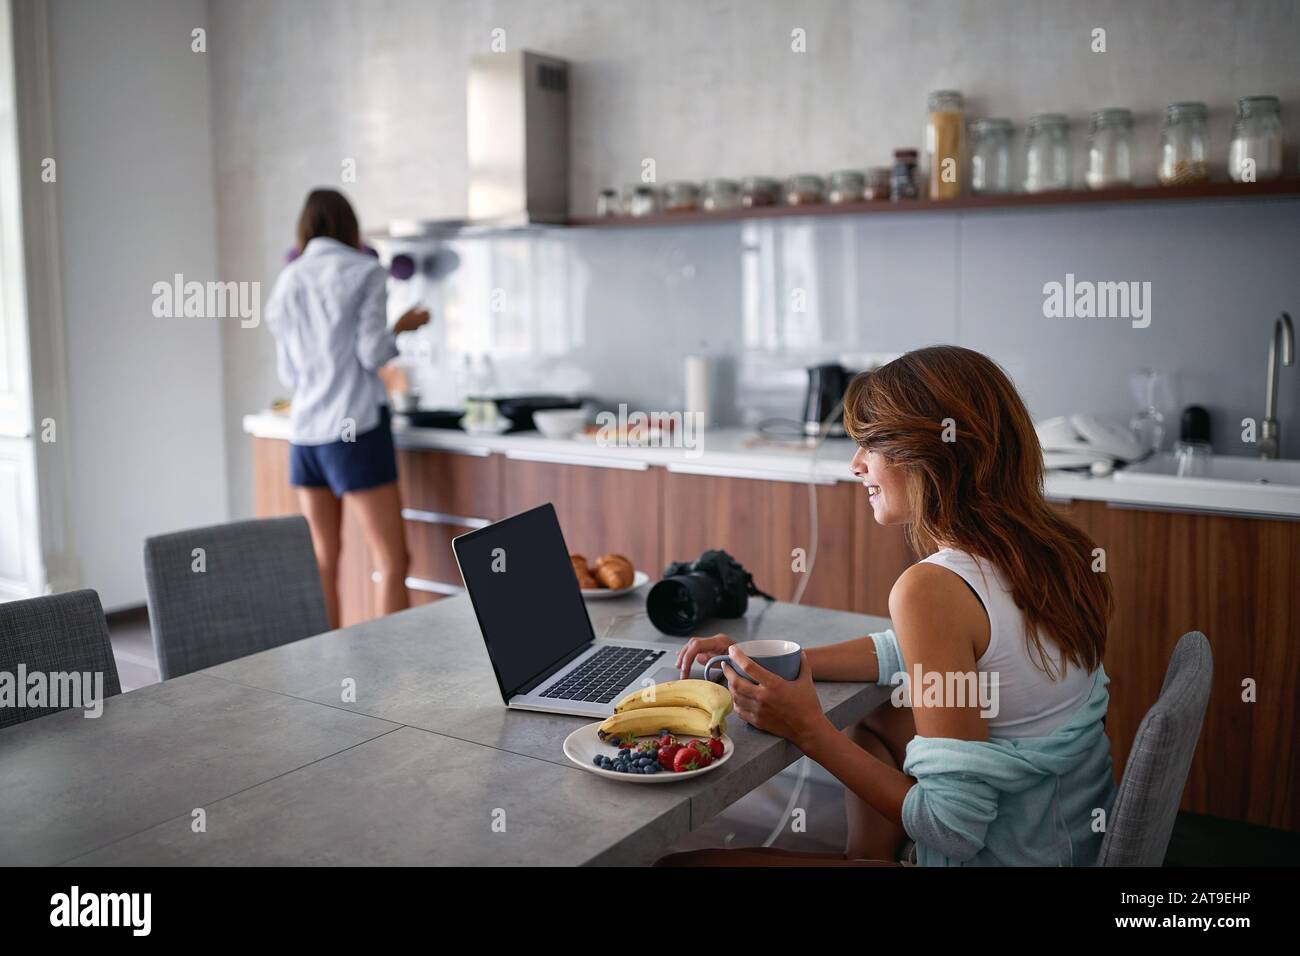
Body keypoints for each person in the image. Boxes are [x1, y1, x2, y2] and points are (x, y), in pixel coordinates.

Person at [663, 345, 1116, 866]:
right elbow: (923, 652)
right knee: (877, 718)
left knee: (680, 866)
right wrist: (773, 661)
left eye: (871, 445)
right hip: (1067, 839)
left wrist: (806, 727)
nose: (856, 465)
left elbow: (952, 829)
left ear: (933, 453)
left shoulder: (932, 589)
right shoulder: (1059, 550)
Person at [265, 188, 429, 628]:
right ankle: (394, 678)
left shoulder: (287, 281)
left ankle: (328, 679)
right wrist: (404, 327)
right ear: (348, 226)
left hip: (305, 437)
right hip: (354, 431)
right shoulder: (365, 272)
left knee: (324, 559)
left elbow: (289, 374)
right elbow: (374, 354)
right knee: (393, 558)